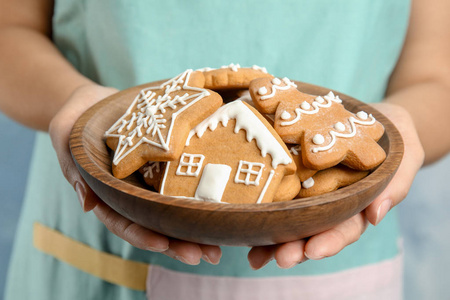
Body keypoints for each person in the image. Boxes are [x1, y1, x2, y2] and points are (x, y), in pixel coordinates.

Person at [0, 0, 449, 299]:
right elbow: (10, 27)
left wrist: (402, 128)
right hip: (97, 245)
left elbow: (437, 78)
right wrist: (78, 103)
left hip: (335, 271)